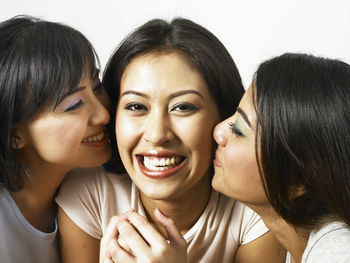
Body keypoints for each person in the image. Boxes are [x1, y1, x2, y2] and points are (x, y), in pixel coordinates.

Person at [56, 18, 285, 263]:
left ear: (224, 115)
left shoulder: (254, 208)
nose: (157, 134)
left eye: (183, 107)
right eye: (136, 106)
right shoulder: (89, 193)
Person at [212, 53, 350, 263]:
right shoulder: (297, 249)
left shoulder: (336, 252)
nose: (218, 132)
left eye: (239, 129)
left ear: (299, 181)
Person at [0, 15, 111, 263]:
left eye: (96, 87)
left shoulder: (94, 191)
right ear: (13, 134)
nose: (103, 114)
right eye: (73, 105)